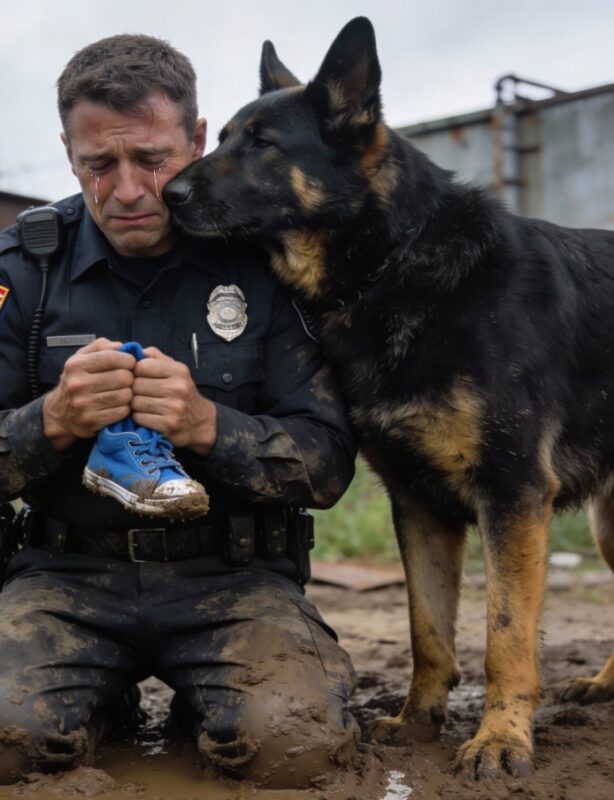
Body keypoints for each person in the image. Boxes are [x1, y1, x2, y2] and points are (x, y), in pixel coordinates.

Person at [0, 34, 359, 789]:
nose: (129, 189)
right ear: (69, 153)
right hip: (64, 581)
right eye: (101, 164)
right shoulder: (20, 274)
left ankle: (216, 704)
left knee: (292, 747)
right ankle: (100, 702)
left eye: (154, 159)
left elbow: (327, 463)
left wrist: (208, 427)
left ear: (198, 140)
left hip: (233, 580)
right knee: (7, 738)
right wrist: (53, 420)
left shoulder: (267, 260)